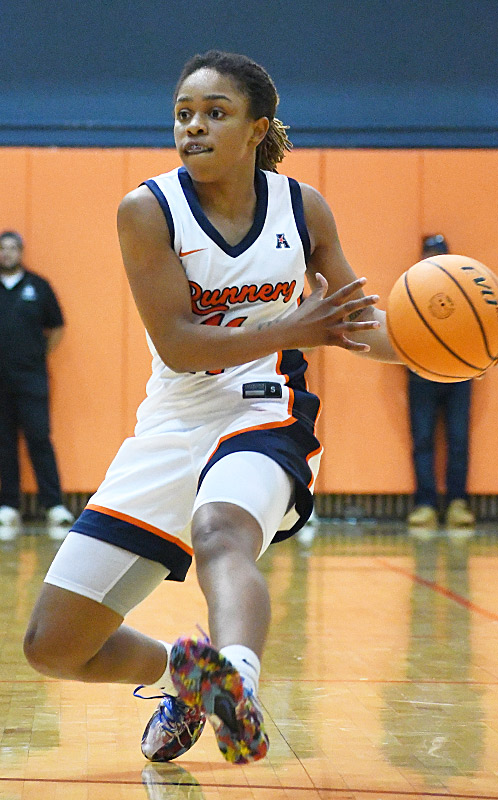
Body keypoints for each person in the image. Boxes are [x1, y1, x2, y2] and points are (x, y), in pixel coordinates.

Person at [23, 50, 400, 765]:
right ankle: (189, 679)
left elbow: (356, 323)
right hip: (172, 421)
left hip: (265, 408)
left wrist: (430, 346)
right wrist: (298, 325)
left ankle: (242, 688)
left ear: (257, 127)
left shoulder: (302, 207)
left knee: (221, 528)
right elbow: (179, 346)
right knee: (54, 645)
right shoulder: (147, 209)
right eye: (183, 114)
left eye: (214, 114)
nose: (192, 127)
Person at [0, 231, 74, 528]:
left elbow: (56, 326)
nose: (7, 253)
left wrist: (38, 355)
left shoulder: (38, 286)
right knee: (4, 442)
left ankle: (53, 504)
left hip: (31, 378)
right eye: (2, 248)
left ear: (21, 251)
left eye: (12, 248)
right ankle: (8, 505)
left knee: (39, 438)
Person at [406, 234, 475, 529]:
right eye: (428, 255)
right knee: (422, 439)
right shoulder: (409, 293)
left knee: (458, 439)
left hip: (459, 373)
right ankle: (426, 504)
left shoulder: (465, 293)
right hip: (421, 373)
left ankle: (458, 503)